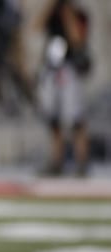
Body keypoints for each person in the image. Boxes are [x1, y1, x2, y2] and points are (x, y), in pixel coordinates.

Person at [34, 0, 92, 177]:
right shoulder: (52, 13)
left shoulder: (79, 14)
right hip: (52, 69)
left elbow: (77, 40)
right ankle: (56, 161)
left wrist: (68, 16)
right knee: (53, 119)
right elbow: (36, 27)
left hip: (70, 69)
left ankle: (81, 161)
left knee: (75, 118)